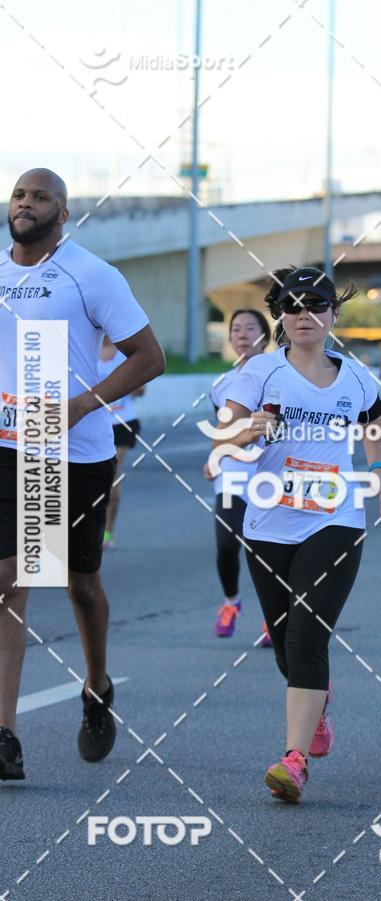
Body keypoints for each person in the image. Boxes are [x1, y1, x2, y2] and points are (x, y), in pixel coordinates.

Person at [0, 169, 165, 781]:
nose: (25, 204)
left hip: (75, 450)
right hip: (9, 445)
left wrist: (79, 406)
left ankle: (97, 687)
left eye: (40, 197)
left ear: (63, 212)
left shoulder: (93, 274)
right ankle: (5, 737)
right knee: (8, 583)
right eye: (19, 194)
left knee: (79, 586)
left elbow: (150, 357)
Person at [213, 266, 381, 802]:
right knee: (287, 644)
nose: (304, 314)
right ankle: (317, 700)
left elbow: (376, 424)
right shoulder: (260, 373)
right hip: (268, 518)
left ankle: (292, 762)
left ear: (334, 314)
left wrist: (378, 476)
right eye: (293, 305)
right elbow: (225, 432)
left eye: (316, 304)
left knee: (307, 634)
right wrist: (248, 430)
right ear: (281, 318)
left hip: (334, 517)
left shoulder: (357, 377)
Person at [205, 309, 272, 645]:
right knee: (227, 544)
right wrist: (212, 457)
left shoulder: (280, 375)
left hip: (270, 473)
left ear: (266, 334)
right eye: (236, 329)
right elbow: (221, 429)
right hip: (232, 473)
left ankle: (275, 619)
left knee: (265, 551)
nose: (242, 334)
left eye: (250, 328)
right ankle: (231, 602)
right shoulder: (221, 385)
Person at [97, 335, 145, 549]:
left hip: (123, 422)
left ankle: (108, 532)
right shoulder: (86, 349)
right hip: (95, 423)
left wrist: (128, 383)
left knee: (112, 478)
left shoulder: (125, 354)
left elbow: (141, 390)